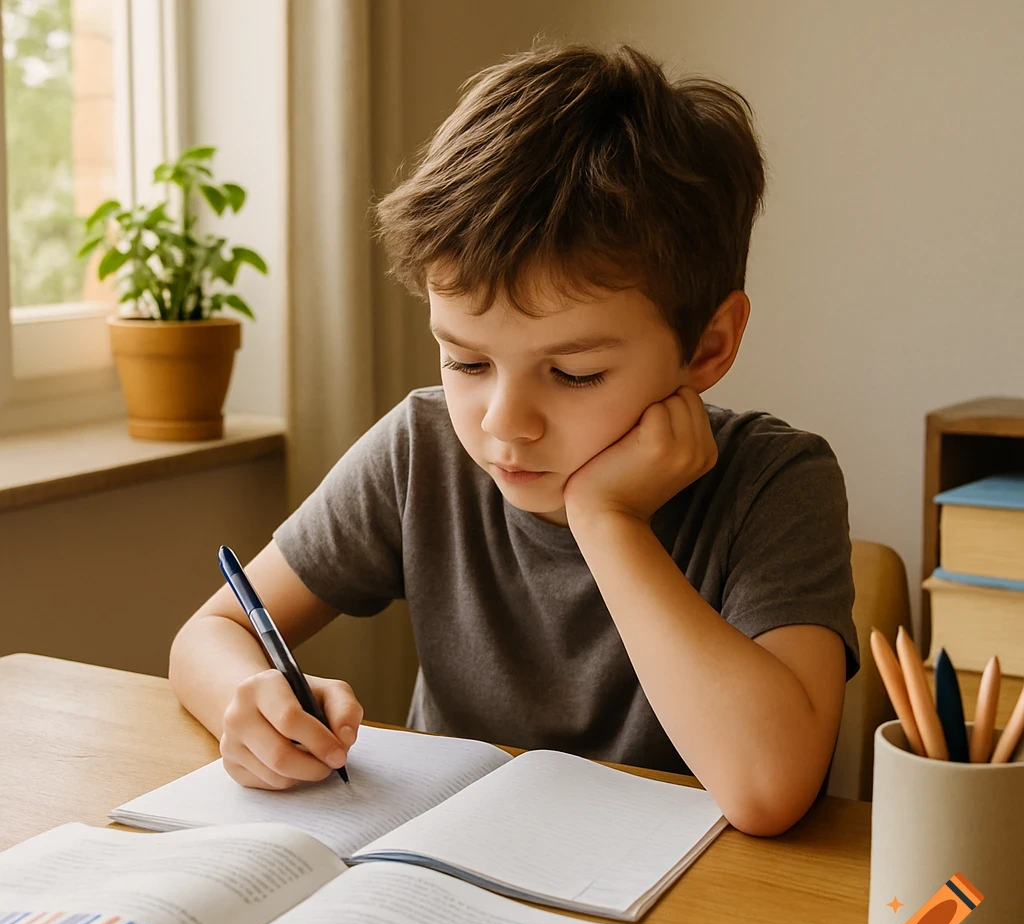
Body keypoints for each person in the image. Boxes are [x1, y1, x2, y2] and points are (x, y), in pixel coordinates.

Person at [169, 40, 858, 837]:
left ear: (706, 347)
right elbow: (211, 631)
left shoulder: (775, 481)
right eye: (465, 359)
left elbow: (769, 789)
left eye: (574, 374)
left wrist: (609, 520)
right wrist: (246, 701)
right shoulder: (421, 451)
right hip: (450, 883)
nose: (502, 423)